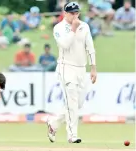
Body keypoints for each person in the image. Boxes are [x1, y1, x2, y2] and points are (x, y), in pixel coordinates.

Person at [47, 1, 97, 143]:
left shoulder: (85, 26)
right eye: (72, 13)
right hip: (66, 67)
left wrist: (93, 67)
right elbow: (65, 44)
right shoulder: (59, 28)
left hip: (81, 68)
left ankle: (54, 122)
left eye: (77, 13)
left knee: (78, 103)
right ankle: (72, 135)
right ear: (65, 13)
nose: (75, 16)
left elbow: (90, 47)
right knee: (72, 101)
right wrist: (73, 29)